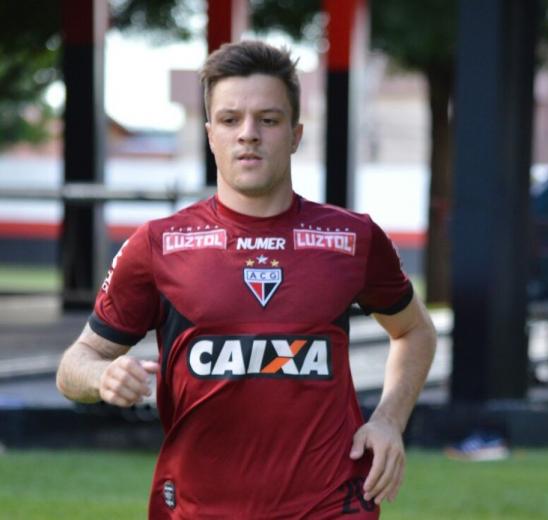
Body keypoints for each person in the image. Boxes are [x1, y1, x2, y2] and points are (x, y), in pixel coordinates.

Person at [56, 40, 436, 519]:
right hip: (197, 508)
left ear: (295, 134)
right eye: (230, 119)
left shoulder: (352, 238)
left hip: (330, 504)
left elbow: (414, 330)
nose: (248, 134)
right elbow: (74, 365)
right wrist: (103, 376)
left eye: (268, 120)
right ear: (210, 134)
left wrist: (388, 421)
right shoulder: (158, 245)